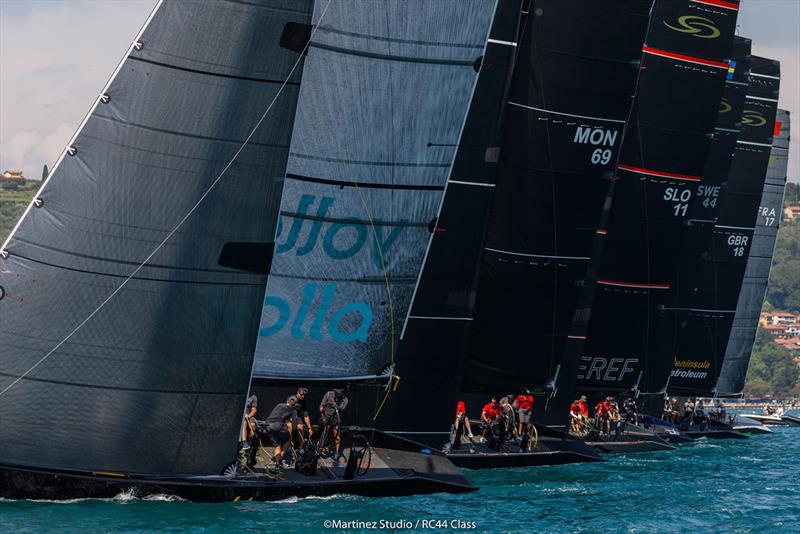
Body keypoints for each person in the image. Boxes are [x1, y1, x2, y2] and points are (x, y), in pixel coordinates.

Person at [264, 395, 298, 466]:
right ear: (295, 404)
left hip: (267, 425)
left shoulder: (279, 405)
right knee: (288, 438)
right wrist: (292, 438)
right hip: (277, 426)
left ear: (287, 401)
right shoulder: (293, 410)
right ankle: (281, 457)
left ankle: (277, 463)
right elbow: (294, 426)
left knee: (278, 444)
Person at [319, 389, 348, 459]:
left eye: (339, 394)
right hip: (326, 417)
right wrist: (322, 408)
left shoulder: (345, 400)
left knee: (337, 436)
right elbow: (321, 405)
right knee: (324, 435)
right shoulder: (328, 394)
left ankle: (337, 453)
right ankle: (321, 449)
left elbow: (342, 408)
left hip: (336, 419)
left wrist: (333, 404)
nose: (336, 395)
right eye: (336, 393)